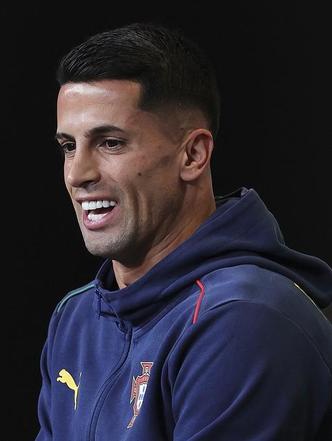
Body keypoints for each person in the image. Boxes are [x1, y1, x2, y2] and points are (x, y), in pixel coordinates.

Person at [35, 22, 332, 441]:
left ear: (193, 155)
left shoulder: (243, 319)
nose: (77, 174)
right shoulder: (77, 317)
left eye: (111, 143)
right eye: (69, 146)